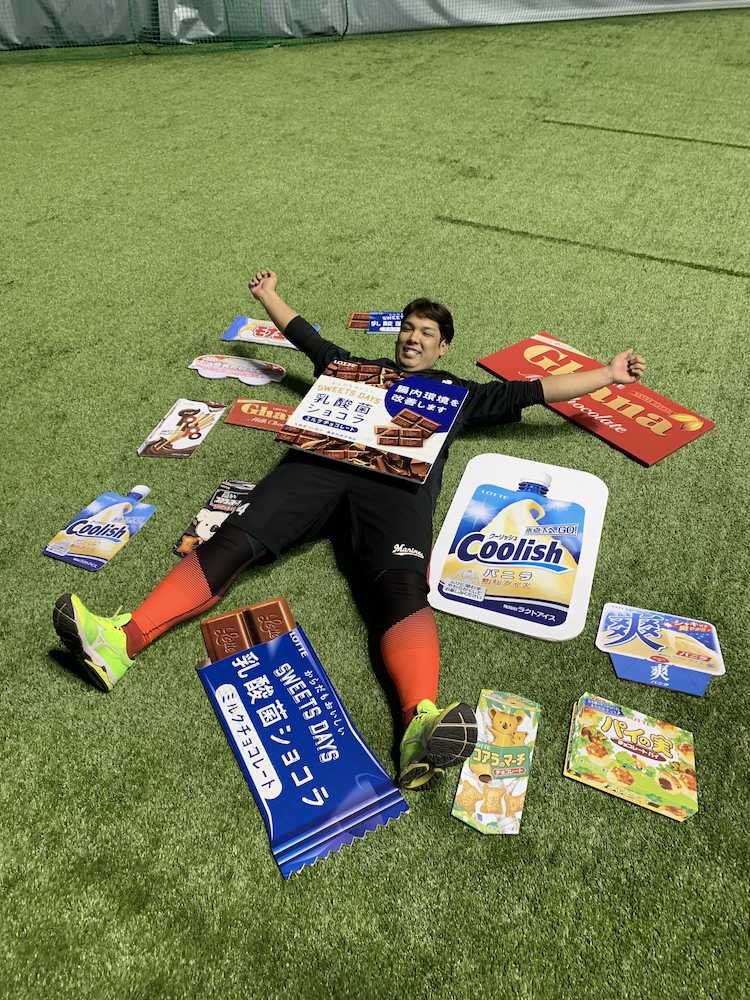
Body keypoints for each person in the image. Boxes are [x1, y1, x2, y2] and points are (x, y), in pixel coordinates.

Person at [53, 270, 645, 791]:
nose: (413, 338)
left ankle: (420, 725)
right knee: (231, 542)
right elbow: (305, 338)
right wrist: (269, 296)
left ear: (444, 347)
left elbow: (535, 391)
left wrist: (609, 374)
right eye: (408, 328)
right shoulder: (353, 369)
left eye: (427, 333)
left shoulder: (459, 392)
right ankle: (120, 642)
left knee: (401, 589)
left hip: (394, 488)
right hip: (314, 469)